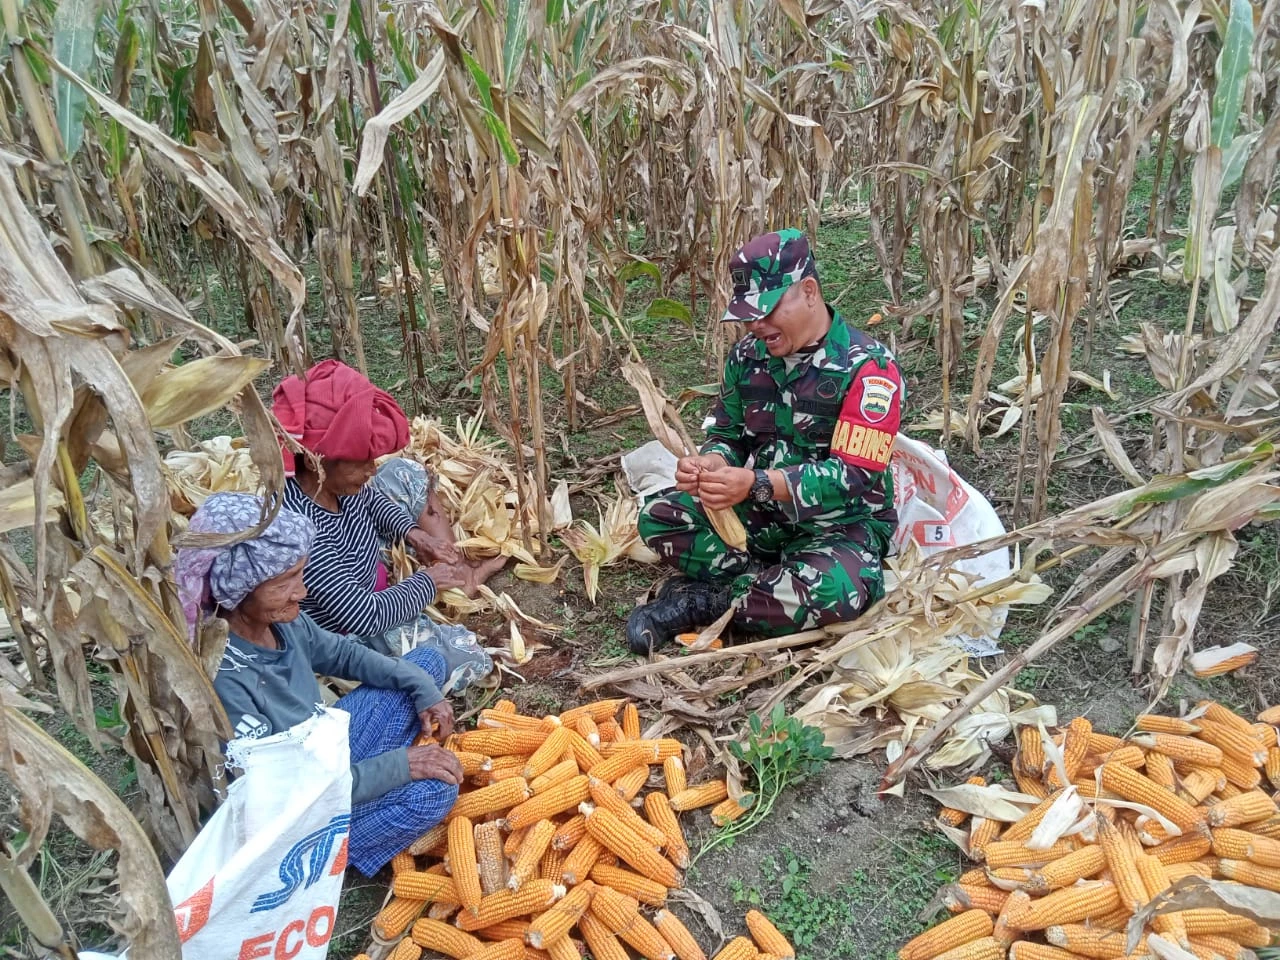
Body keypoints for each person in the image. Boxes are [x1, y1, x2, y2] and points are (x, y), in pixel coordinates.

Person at [627, 229, 904, 653]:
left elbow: (855, 475)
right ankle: (767, 583)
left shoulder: (869, 369)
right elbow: (727, 432)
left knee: (836, 591)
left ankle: (707, 601)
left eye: (768, 310)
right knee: (658, 517)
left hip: (839, 525)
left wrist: (756, 482)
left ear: (808, 292)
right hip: (760, 517)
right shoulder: (748, 357)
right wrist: (713, 464)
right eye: (749, 314)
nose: (757, 325)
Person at [174, 493, 463, 876]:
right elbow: (286, 791)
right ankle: (333, 862)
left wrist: (421, 689)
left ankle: (385, 761)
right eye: (284, 582)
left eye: (300, 574)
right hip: (297, 812)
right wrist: (399, 767)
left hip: (322, 747)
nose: (302, 592)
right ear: (237, 589)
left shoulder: (283, 621)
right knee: (433, 796)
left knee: (424, 665)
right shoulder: (225, 679)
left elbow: (346, 656)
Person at [272, 359, 504, 686]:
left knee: (406, 474)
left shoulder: (332, 482)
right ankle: (443, 586)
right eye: (361, 462)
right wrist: (428, 583)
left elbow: (372, 499)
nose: (371, 469)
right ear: (315, 461)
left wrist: (415, 535)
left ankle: (462, 575)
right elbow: (363, 615)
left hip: (365, 569)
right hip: (354, 626)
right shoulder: (301, 534)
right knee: (466, 657)